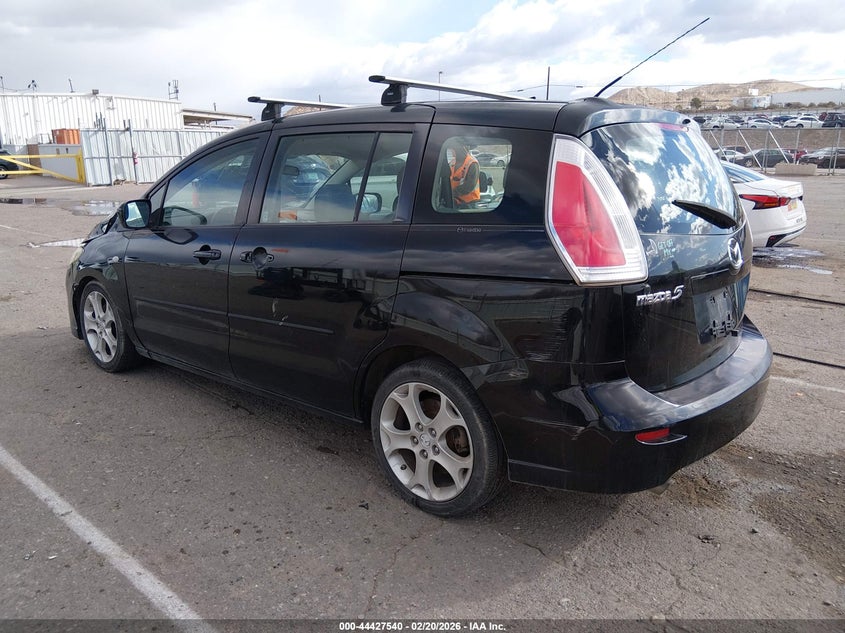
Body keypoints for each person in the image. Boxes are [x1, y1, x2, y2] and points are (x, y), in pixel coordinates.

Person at [448, 141, 480, 207]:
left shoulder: (472, 163)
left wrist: (450, 193)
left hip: (470, 203)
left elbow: (469, 186)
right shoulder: (452, 162)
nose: (452, 152)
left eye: (453, 149)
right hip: (454, 200)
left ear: (460, 149)